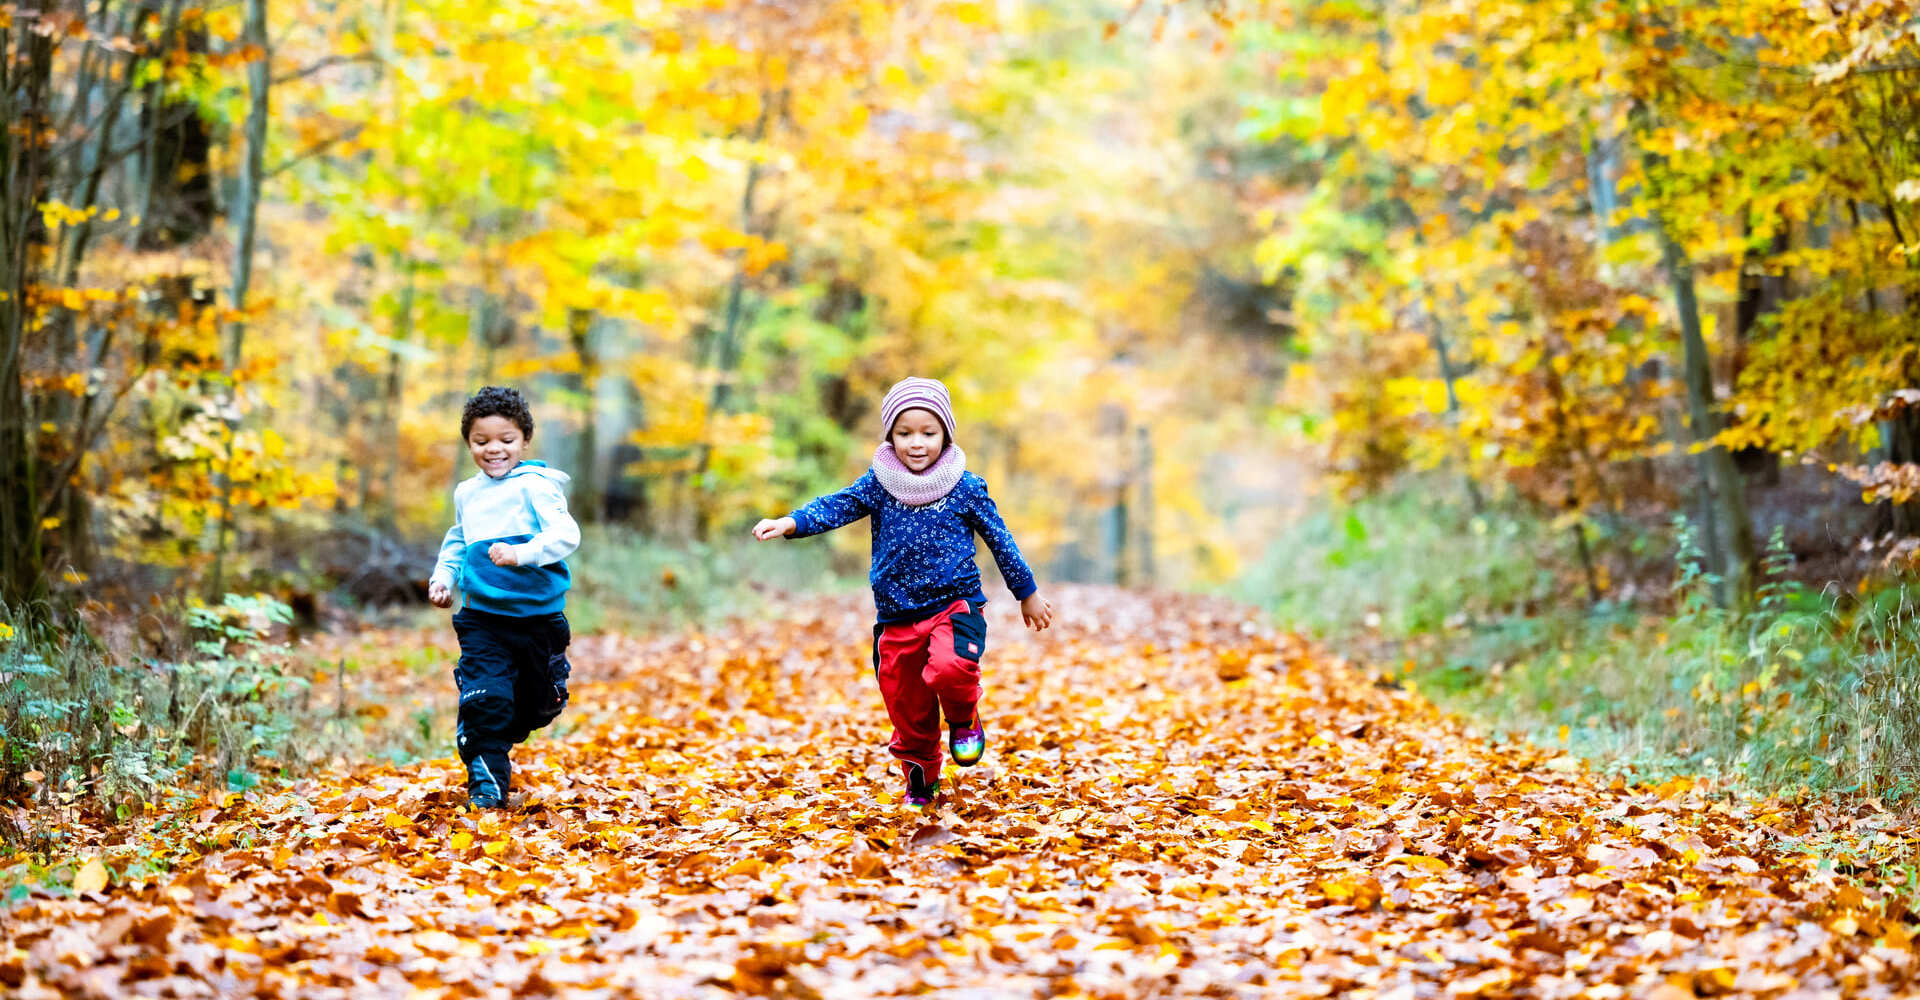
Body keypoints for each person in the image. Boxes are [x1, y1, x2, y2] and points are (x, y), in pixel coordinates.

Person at [753, 376, 1054, 809]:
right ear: (890, 436)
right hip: (896, 616)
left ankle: (964, 717)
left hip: (955, 604)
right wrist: (791, 523)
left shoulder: (966, 487)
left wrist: (1026, 591)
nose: (917, 443)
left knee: (951, 668)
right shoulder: (879, 484)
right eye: (904, 433)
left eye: (928, 433)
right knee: (907, 707)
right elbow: (836, 505)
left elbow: (999, 538)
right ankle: (923, 780)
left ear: (945, 434)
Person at [427, 386, 580, 809]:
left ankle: (499, 722)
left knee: (538, 707)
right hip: (483, 618)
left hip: (539, 619)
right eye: (481, 441)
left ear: (524, 440)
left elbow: (567, 535)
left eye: (506, 440)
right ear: (469, 443)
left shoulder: (537, 487)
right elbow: (458, 540)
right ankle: (486, 782)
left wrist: (522, 553)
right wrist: (444, 578)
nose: (494, 449)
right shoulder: (467, 493)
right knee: (487, 698)